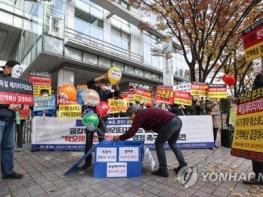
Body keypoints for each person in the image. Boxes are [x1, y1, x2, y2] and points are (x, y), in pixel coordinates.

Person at [113, 105, 187, 177]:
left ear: (134, 113)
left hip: (170, 123)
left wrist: (119, 137)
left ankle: (163, 169)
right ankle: (183, 166)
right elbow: (152, 121)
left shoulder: (139, 115)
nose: (130, 118)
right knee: (172, 143)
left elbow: (131, 132)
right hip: (177, 120)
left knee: (159, 144)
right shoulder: (144, 113)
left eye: (130, 116)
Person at [81, 73, 120, 169]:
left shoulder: (108, 93)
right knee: (89, 141)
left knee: (101, 139)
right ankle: (87, 162)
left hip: (102, 119)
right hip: (91, 118)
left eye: (108, 84)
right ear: (100, 84)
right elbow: (89, 83)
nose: (107, 86)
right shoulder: (95, 89)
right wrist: (100, 77)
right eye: (105, 84)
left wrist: (116, 83)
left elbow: (117, 93)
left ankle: (103, 159)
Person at [0, 60, 23, 179]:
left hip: (11, 119)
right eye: (16, 70)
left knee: (8, 147)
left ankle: (8, 172)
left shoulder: (17, 84)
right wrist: (8, 105)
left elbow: (22, 98)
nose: (19, 73)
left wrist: (21, 105)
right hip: (1, 118)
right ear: (8, 68)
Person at [243, 69, 263, 185]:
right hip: (257, 119)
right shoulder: (258, 79)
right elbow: (254, 94)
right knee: (256, 148)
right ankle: (258, 175)